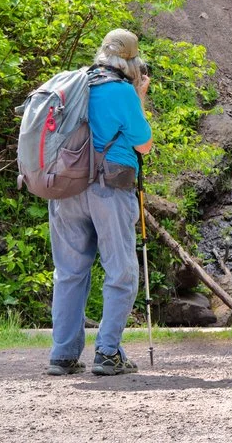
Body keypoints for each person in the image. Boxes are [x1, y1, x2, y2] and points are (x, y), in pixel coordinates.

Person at [47, 29, 153, 377]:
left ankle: (62, 355)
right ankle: (107, 352)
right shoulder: (121, 91)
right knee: (121, 271)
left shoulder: (73, 84)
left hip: (65, 189)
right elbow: (144, 144)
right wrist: (139, 98)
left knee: (70, 273)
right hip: (109, 187)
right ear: (131, 62)